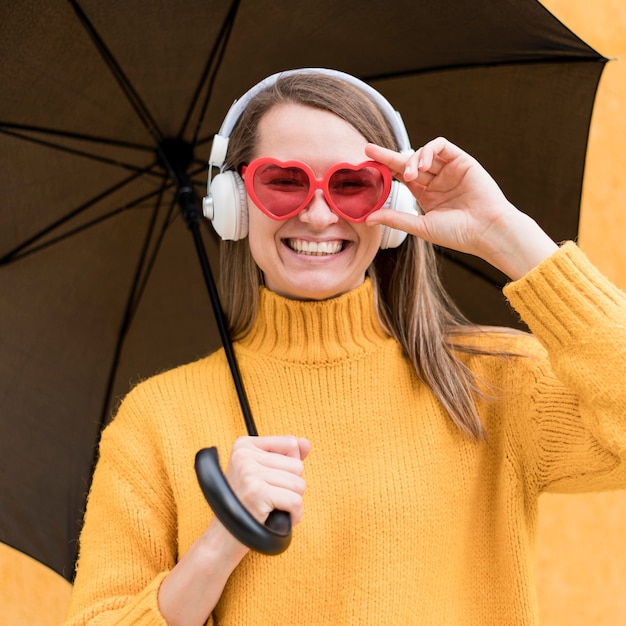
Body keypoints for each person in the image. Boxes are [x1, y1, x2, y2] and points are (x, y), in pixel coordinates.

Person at [65, 69, 626, 625]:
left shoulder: (494, 385)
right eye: (283, 181)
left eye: (352, 184)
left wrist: (505, 233)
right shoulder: (156, 421)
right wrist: (219, 542)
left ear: (395, 208)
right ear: (233, 200)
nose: (317, 213)